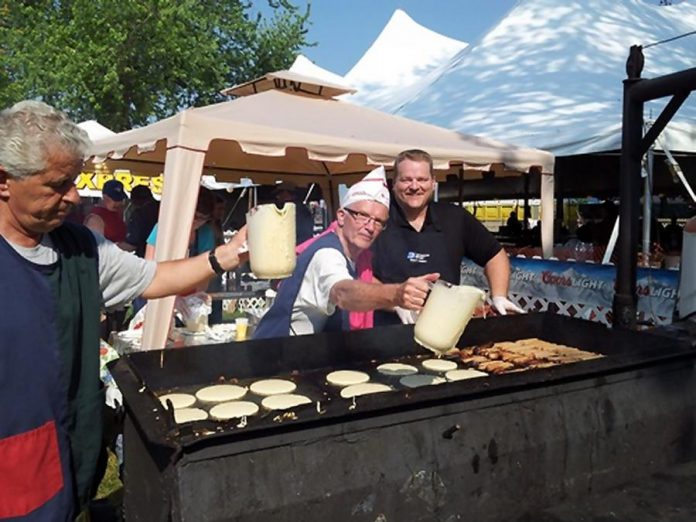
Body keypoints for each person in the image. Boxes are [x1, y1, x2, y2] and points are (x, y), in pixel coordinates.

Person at [0, 100, 247, 521]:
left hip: (65, 452)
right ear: (5, 181)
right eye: (59, 185)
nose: (74, 196)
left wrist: (224, 256)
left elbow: (153, 278)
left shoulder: (79, 246)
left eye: (75, 181)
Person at [253, 166, 438, 338]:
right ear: (341, 216)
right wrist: (396, 294)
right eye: (362, 216)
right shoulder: (327, 254)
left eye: (378, 221)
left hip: (307, 351)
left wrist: (398, 305)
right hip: (279, 352)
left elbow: (361, 279)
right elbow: (343, 292)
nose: (370, 227)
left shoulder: (355, 254)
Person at [371, 149, 522, 325]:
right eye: (406, 180)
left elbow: (495, 255)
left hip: (444, 330)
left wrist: (499, 296)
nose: (414, 186)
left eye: (422, 179)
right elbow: (357, 272)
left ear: (433, 182)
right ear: (393, 184)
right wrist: (394, 301)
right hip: (387, 331)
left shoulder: (454, 218)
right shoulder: (375, 219)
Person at [83, 178, 128, 245]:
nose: (118, 203)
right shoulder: (95, 218)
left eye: (120, 199)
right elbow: (96, 246)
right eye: (115, 199)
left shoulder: (117, 214)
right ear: (104, 197)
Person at [123, 184, 159, 257]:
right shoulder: (164, 207)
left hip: (146, 256)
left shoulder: (139, 214)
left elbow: (131, 245)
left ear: (134, 201)